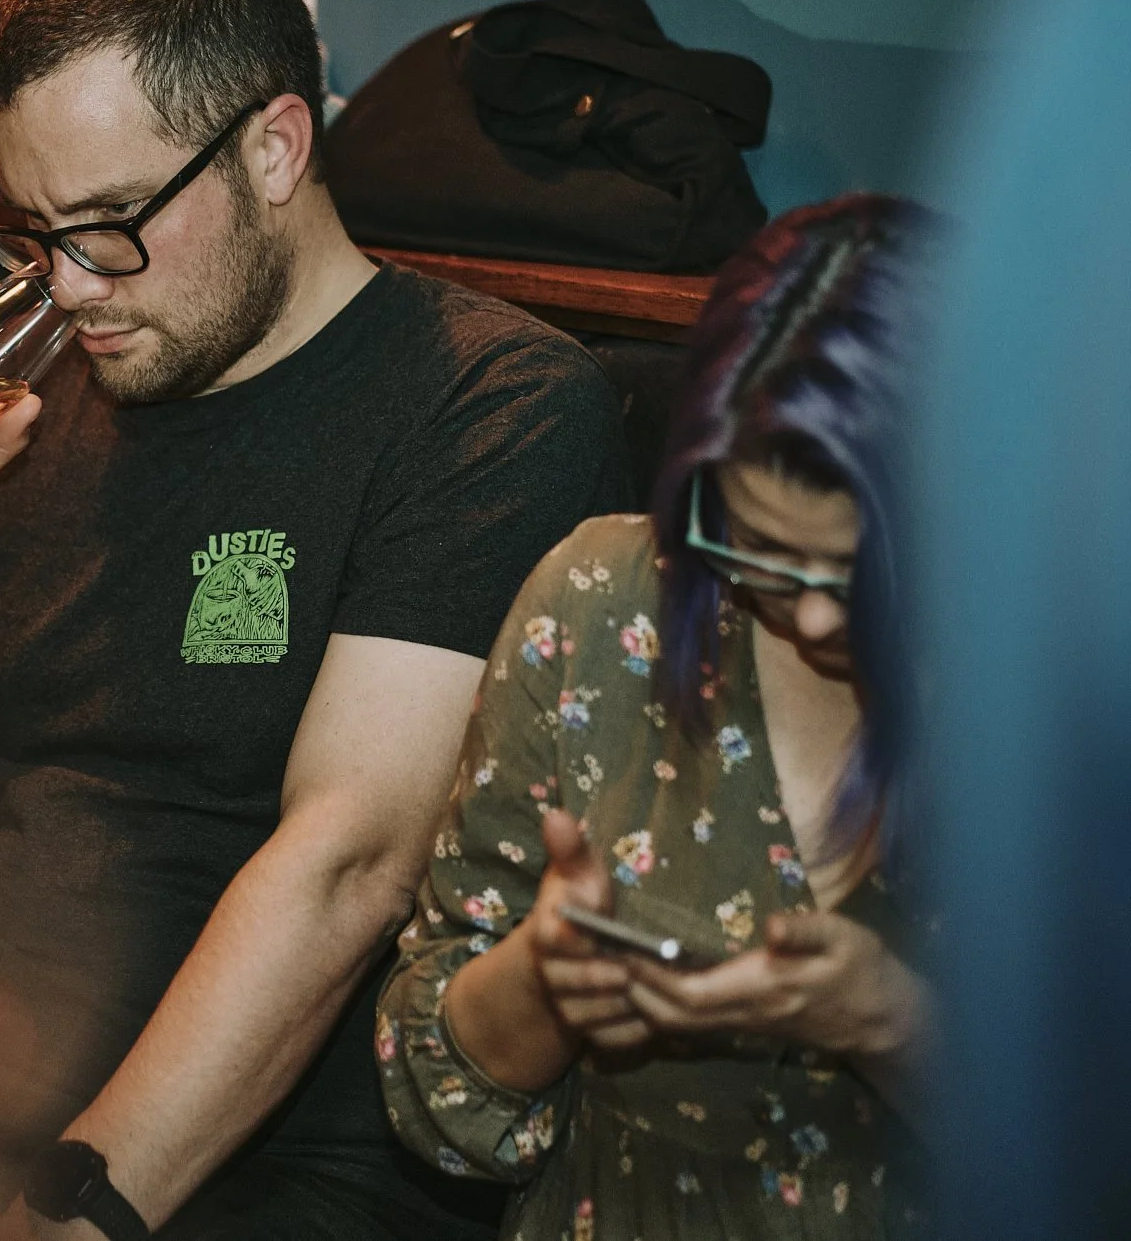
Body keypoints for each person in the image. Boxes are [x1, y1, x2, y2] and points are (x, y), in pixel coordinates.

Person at [0, 0, 630, 1240]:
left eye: (108, 223)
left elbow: (344, 867)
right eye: (28, 229)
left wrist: (67, 1209)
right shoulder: (13, 393)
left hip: (260, 1161)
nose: (70, 286)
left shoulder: (491, 405)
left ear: (276, 146)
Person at [376, 195, 936, 1239]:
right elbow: (425, 1090)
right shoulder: (601, 603)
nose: (811, 614)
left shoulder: (1058, 689)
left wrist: (891, 1023)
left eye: (858, 577)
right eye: (761, 553)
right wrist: (541, 982)